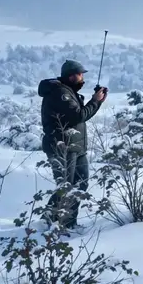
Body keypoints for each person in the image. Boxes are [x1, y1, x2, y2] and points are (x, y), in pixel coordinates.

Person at [38, 59, 107, 228]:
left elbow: (79, 116)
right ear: (71, 76)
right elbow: (78, 116)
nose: (82, 78)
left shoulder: (69, 91)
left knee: (80, 184)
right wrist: (95, 101)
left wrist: (97, 101)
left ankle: (68, 223)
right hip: (62, 147)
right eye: (80, 74)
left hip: (76, 147)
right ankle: (49, 222)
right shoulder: (60, 93)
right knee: (65, 187)